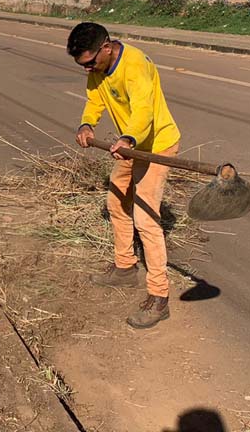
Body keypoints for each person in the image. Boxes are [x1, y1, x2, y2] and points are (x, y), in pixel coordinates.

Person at [67, 22, 181, 329]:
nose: (87, 69)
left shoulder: (134, 66)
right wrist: (87, 124)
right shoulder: (97, 70)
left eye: (90, 62)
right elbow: (95, 100)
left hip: (154, 146)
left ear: (106, 48)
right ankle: (125, 267)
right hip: (129, 145)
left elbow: (144, 110)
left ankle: (159, 298)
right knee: (116, 203)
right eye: (83, 65)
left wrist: (129, 138)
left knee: (145, 218)